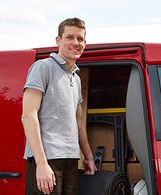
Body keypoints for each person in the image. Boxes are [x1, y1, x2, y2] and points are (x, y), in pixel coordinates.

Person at [21, 17, 97, 195]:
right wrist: (41, 165)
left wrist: (89, 157)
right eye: (70, 37)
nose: (75, 43)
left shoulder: (76, 79)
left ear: (85, 43)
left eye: (80, 39)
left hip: (70, 159)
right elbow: (28, 116)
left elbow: (78, 123)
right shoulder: (43, 68)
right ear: (58, 40)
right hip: (47, 159)